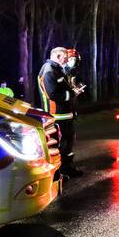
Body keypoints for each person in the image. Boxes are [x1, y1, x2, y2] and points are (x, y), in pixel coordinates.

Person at [38, 47, 84, 177]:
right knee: (60, 145)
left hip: (65, 115)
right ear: (58, 56)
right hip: (57, 116)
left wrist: (73, 91)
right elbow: (52, 94)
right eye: (65, 58)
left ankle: (66, 168)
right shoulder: (49, 70)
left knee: (67, 143)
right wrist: (72, 93)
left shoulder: (56, 70)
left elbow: (62, 88)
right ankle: (59, 171)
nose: (66, 60)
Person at [63, 49, 84, 118]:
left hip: (71, 106)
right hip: (63, 107)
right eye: (71, 58)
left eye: (75, 59)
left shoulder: (72, 73)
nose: (73, 61)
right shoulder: (61, 72)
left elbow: (72, 87)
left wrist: (77, 88)